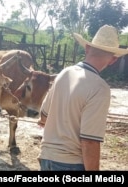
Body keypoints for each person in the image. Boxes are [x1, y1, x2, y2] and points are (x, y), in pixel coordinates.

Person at [37, 25, 128, 171]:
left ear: (87, 48)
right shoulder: (100, 88)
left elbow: (43, 116)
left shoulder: (64, 74)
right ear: (113, 60)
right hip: (70, 163)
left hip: (46, 158)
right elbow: (90, 142)